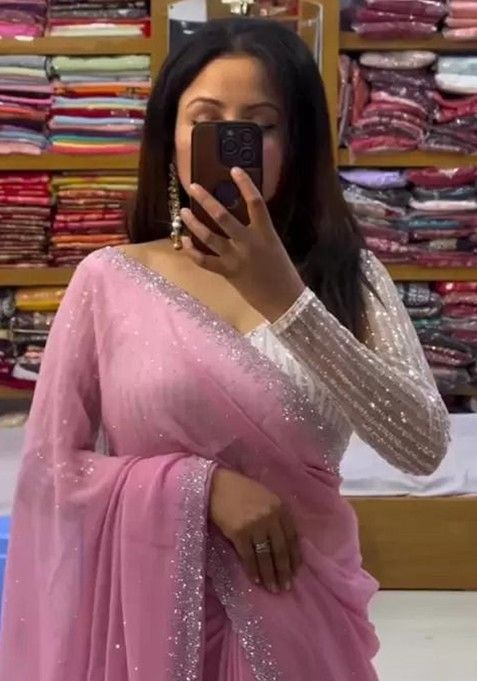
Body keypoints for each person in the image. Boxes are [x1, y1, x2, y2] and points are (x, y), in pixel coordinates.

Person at [0, 18, 450, 681]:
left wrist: (286, 299)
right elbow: (53, 472)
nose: (234, 144)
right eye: (206, 121)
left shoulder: (346, 277)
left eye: (261, 126)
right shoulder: (109, 281)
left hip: (302, 622)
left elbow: (422, 446)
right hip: (146, 629)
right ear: (171, 136)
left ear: (296, 143)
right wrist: (200, 488)